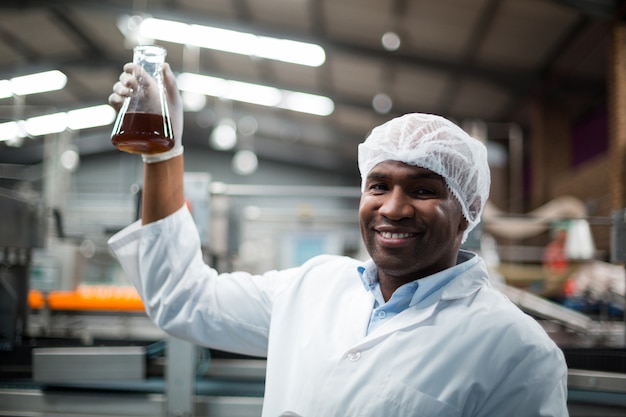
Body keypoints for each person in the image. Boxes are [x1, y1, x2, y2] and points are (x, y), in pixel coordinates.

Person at [108, 60, 569, 417]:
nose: (393, 207)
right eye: (379, 185)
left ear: (466, 212)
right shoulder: (314, 287)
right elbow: (182, 299)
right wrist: (163, 154)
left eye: (424, 190)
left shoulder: (516, 350)